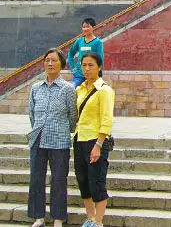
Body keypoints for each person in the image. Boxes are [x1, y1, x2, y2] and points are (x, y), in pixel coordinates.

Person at [27, 48, 77, 227]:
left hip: (59, 141)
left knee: (58, 180)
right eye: (47, 60)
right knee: (36, 179)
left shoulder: (68, 89)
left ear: (62, 64)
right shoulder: (35, 88)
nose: (50, 63)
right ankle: (38, 216)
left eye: (54, 60)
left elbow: (73, 117)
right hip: (38, 139)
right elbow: (32, 114)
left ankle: (57, 218)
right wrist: (39, 128)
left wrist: (62, 129)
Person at [73, 52, 115, 227]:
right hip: (79, 139)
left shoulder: (104, 90)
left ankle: (98, 221)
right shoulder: (79, 89)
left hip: (95, 141)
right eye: (84, 65)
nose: (87, 69)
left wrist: (98, 145)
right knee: (82, 179)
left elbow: (106, 120)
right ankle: (89, 217)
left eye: (91, 65)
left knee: (96, 181)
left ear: (99, 67)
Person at [67, 18, 104, 88]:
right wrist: (73, 69)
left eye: (88, 27)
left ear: (93, 27)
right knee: (72, 91)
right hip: (79, 75)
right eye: (83, 27)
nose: (85, 29)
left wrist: (99, 74)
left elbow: (100, 60)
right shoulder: (79, 41)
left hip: (92, 76)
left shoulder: (97, 42)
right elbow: (70, 53)